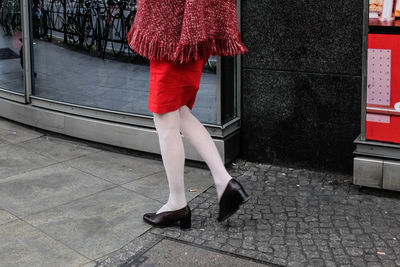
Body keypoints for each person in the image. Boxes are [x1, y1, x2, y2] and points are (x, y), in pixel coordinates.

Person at [126, 0, 249, 230]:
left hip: (176, 33)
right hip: (186, 27)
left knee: (165, 118)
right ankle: (225, 183)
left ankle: (178, 203)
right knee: (179, 112)